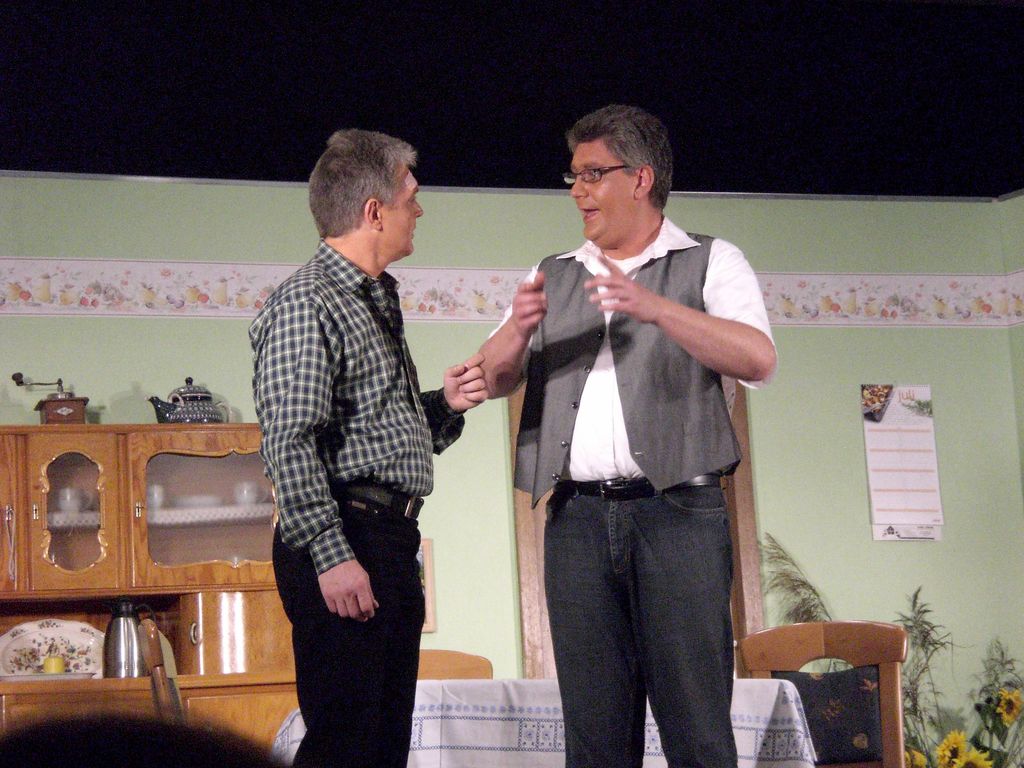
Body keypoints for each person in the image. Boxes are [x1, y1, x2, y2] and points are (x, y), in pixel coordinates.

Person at [479, 104, 777, 768]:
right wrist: (518, 331)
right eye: (574, 176)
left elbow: (758, 358)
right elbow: (494, 379)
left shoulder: (710, 260)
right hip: (577, 520)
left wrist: (656, 307)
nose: (577, 191)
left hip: (679, 514)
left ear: (641, 178)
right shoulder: (555, 271)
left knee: (696, 727)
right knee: (594, 735)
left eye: (593, 174)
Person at [250, 129, 488, 768]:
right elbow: (290, 440)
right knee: (345, 747)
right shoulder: (310, 300)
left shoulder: (372, 299)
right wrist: (332, 556)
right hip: (346, 536)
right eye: (411, 198)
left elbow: (376, 438)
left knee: (381, 748)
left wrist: (445, 404)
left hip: (386, 539)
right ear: (374, 211)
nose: (420, 210)